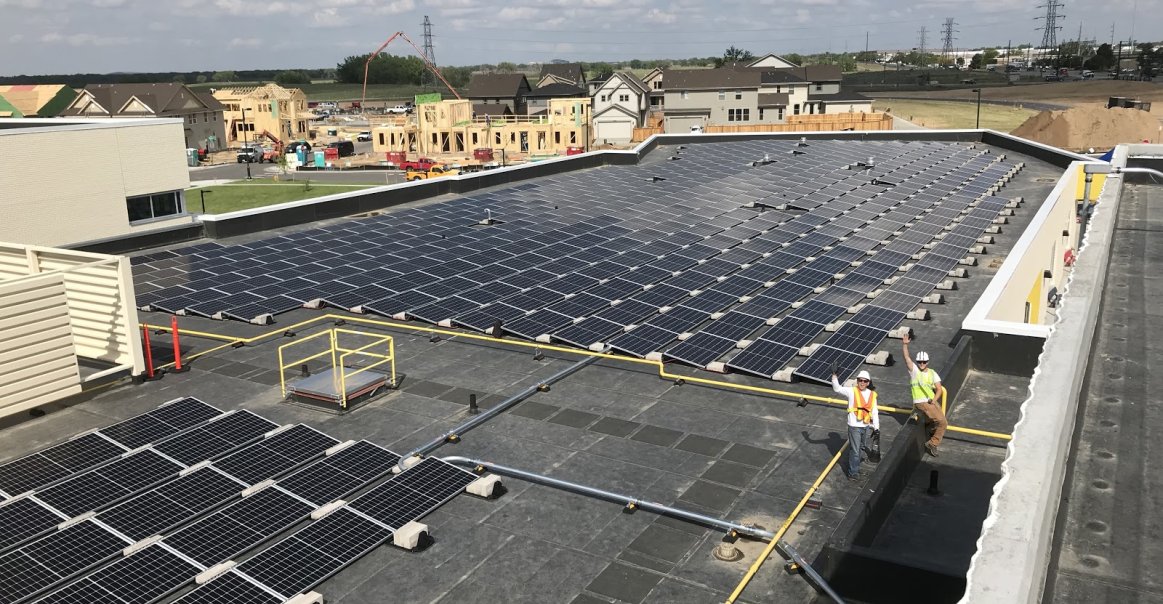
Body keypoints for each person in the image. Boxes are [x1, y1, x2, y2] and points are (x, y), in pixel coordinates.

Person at [902, 333, 948, 457]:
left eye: (924, 361)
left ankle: (931, 434)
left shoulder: (932, 373)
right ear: (917, 362)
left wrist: (934, 400)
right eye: (920, 361)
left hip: (930, 401)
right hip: (921, 402)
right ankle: (932, 444)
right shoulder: (914, 371)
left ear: (927, 362)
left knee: (940, 421)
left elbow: (939, 389)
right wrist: (905, 345)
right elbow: (907, 358)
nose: (922, 363)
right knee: (943, 422)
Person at [832, 369, 880, 480]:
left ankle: (856, 469)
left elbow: (874, 412)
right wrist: (834, 376)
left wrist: (876, 428)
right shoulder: (851, 391)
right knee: (855, 450)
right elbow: (837, 388)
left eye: (865, 381)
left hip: (866, 426)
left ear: (868, 382)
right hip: (854, 426)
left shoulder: (872, 395)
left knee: (861, 448)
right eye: (860, 380)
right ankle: (852, 473)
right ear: (857, 381)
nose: (862, 383)